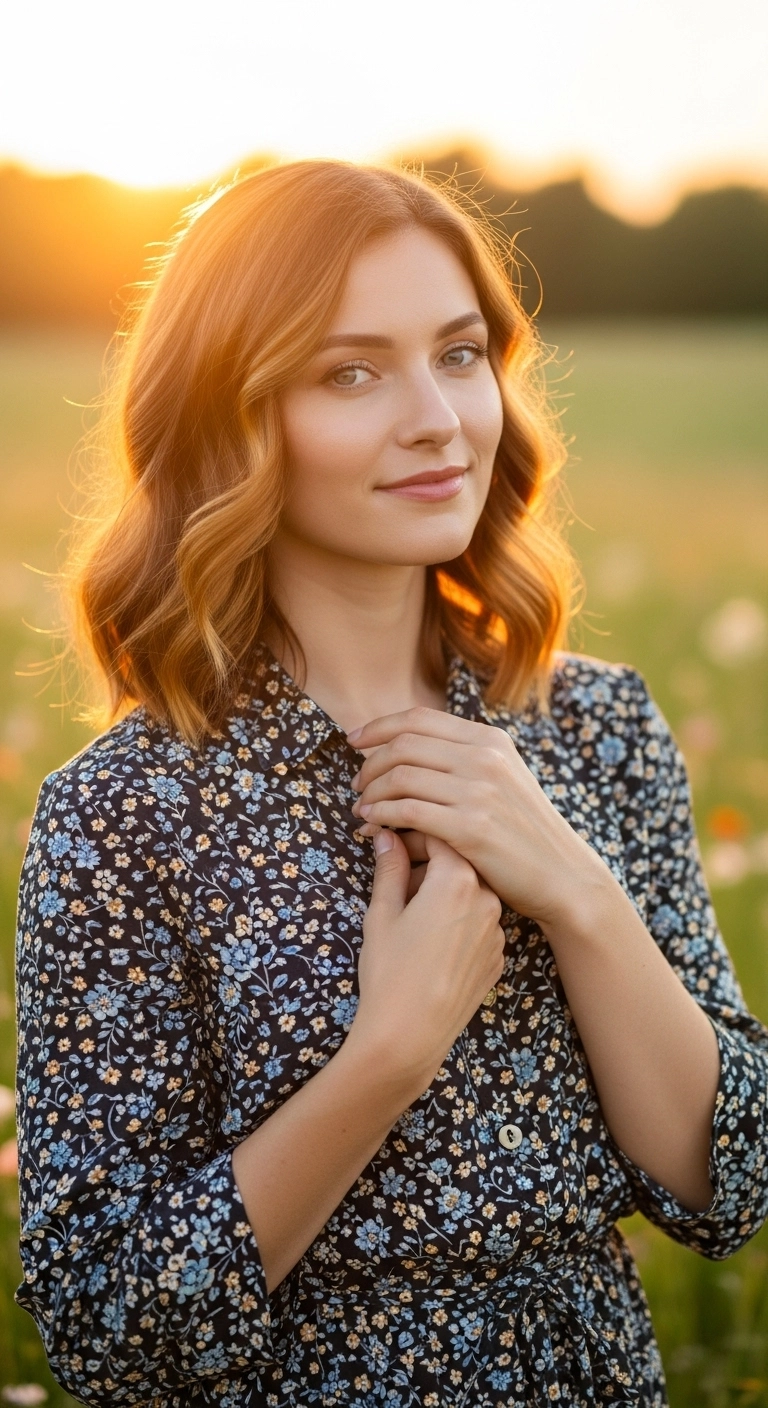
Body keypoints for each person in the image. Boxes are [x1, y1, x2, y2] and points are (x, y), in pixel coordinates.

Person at [14, 160, 768, 1408]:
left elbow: (730, 1188)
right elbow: (107, 1333)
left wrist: (578, 890)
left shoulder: (599, 729)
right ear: (233, 415)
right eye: (350, 371)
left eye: (459, 354)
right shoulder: (124, 814)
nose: (436, 417)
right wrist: (390, 1051)